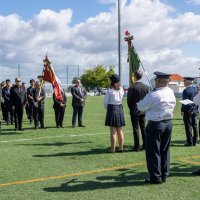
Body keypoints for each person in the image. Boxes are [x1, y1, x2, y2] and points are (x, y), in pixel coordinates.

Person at [138, 72, 176, 184]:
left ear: (158, 81)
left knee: (153, 151)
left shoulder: (154, 95)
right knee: (165, 150)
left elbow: (141, 107)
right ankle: (164, 174)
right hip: (168, 123)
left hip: (156, 124)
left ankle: (155, 177)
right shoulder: (170, 91)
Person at [127, 70, 149, 151]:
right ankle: (145, 145)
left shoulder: (132, 88)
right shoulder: (146, 87)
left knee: (135, 129)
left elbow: (129, 101)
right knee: (143, 128)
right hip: (143, 110)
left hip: (135, 110)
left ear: (135, 77)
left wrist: (132, 108)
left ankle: (136, 146)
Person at [104, 74, 125, 153]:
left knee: (113, 132)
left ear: (112, 81)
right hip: (119, 108)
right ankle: (121, 148)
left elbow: (105, 103)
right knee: (120, 131)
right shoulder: (121, 89)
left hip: (112, 109)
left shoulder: (109, 90)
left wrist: (108, 108)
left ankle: (113, 149)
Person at [181, 77, 198, 146]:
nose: (183, 82)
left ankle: (189, 142)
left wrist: (182, 110)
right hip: (195, 109)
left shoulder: (186, 90)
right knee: (195, 125)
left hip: (187, 110)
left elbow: (185, 102)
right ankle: (195, 141)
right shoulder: (196, 89)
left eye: (184, 81)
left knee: (188, 126)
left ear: (187, 81)